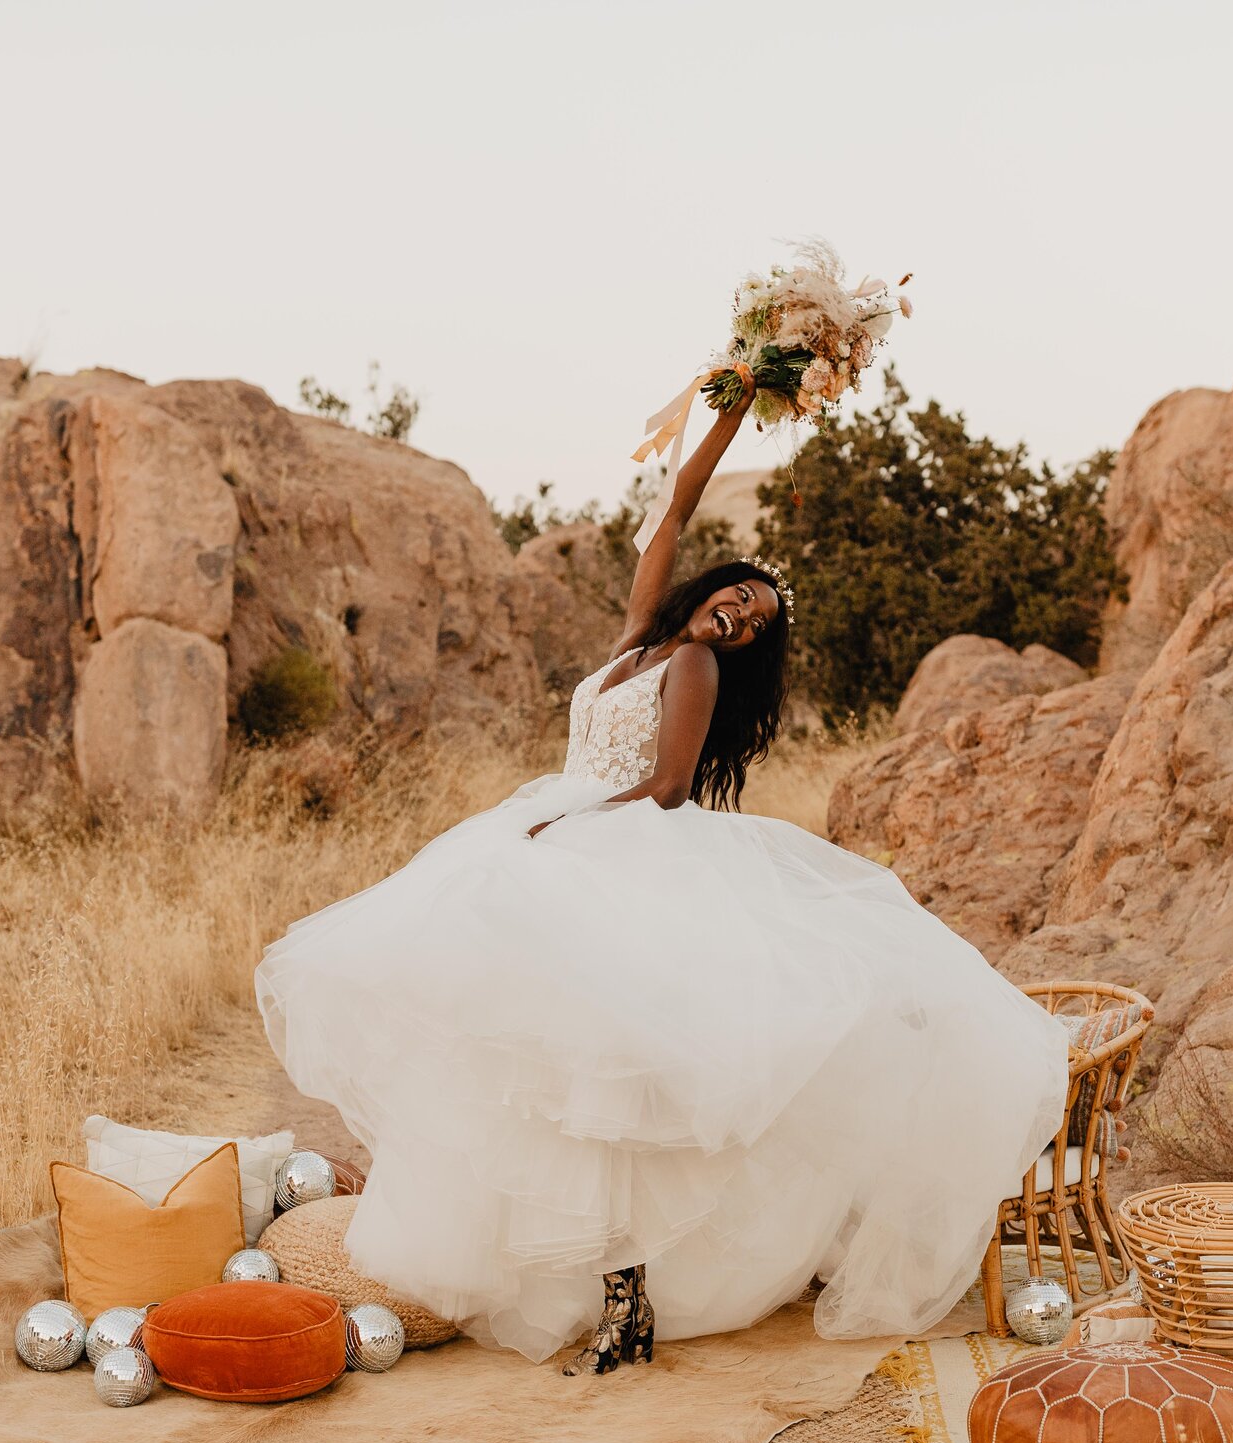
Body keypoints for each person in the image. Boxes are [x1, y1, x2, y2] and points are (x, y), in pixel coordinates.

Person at [255, 385, 1067, 1374]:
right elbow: (673, 507)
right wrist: (733, 397)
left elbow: (671, 786)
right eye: (737, 595)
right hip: (558, 833)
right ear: (710, 587)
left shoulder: (692, 671)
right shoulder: (641, 639)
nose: (738, 615)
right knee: (540, 1064)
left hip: (620, 844)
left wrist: (569, 818)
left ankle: (624, 1286)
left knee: (609, 1076)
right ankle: (575, 1272)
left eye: (756, 621)